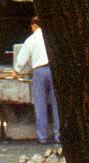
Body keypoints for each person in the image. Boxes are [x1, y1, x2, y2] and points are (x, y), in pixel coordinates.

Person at [14, 16, 60, 145]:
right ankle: (59, 135)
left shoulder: (32, 39)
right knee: (58, 105)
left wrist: (16, 70)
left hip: (39, 72)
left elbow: (22, 57)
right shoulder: (53, 37)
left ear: (34, 25)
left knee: (40, 104)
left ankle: (42, 137)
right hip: (54, 70)